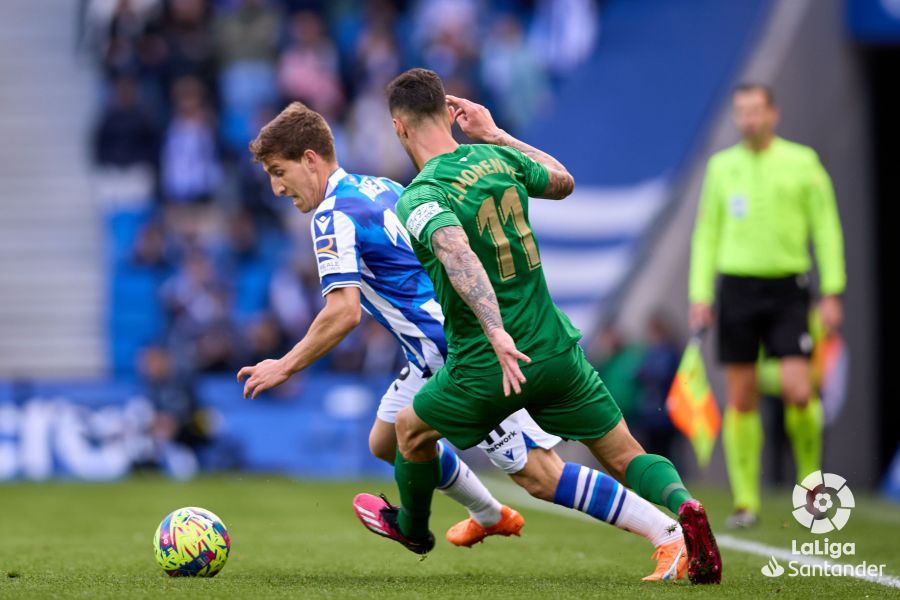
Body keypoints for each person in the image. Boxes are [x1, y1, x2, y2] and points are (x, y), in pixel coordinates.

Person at [237, 102, 691, 581]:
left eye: (278, 171)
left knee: (541, 476)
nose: (276, 187)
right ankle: (489, 513)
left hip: (458, 352)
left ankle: (667, 534)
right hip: (430, 350)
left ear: (310, 159)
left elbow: (344, 311)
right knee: (386, 439)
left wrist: (283, 365)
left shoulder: (331, 216)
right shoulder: (383, 188)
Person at [352, 68, 721, 585]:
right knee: (624, 454)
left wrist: (496, 330)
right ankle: (685, 508)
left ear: (399, 127)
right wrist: (496, 133)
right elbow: (563, 182)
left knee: (409, 432)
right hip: (556, 350)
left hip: (488, 364)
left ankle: (412, 528)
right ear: (449, 114)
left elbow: (457, 254)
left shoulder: (420, 197)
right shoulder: (497, 157)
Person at [689, 84, 846, 529]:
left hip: (787, 290)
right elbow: (706, 234)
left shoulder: (802, 162)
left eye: (756, 111)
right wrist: (700, 294)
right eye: (741, 112)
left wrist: (832, 290)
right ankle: (745, 501)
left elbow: (827, 227)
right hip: (736, 289)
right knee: (741, 397)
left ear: (773, 113)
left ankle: (811, 484)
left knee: (800, 390)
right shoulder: (722, 167)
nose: (749, 120)